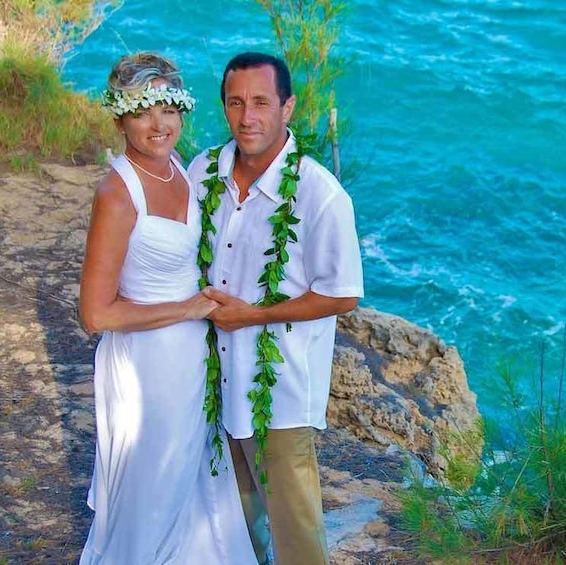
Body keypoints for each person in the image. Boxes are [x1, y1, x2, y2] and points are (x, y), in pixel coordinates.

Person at [77, 52, 257, 565]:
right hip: (146, 364)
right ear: (120, 118)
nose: (158, 124)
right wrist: (186, 309)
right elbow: (96, 314)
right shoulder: (118, 191)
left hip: (190, 355)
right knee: (153, 480)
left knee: (190, 471)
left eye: (168, 108)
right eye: (142, 110)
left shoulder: (180, 168)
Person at [187, 52, 364, 565]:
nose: (248, 117)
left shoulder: (319, 195)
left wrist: (254, 315)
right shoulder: (205, 172)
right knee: (234, 525)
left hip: (278, 392)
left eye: (261, 103)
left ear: (287, 108)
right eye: (236, 103)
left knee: (295, 534)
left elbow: (344, 293)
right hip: (213, 382)